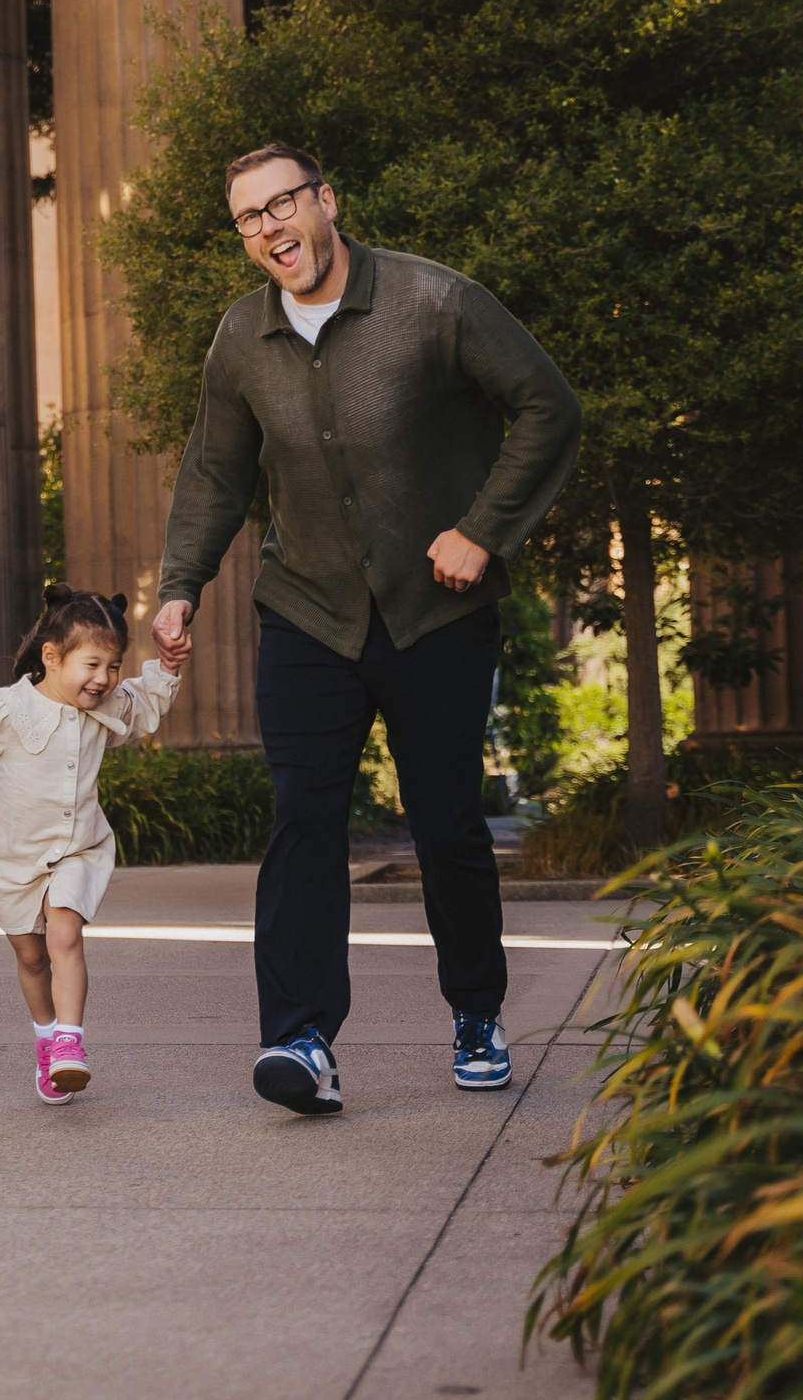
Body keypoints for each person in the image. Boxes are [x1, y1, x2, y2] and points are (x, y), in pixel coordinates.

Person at [154, 144, 581, 1116]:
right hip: (306, 612)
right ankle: (299, 1039)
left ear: (325, 202)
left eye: (282, 205)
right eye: (248, 219)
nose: (269, 229)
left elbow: (545, 408)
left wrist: (482, 529)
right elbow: (217, 473)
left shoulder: (436, 304)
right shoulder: (240, 339)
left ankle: (476, 1011)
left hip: (436, 614)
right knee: (302, 816)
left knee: (446, 824)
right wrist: (181, 583)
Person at [0, 586, 184, 1104]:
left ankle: (70, 1042)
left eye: (112, 667)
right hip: (13, 855)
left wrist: (168, 667)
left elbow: (144, 707)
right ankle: (46, 1035)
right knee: (32, 957)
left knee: (64, 933)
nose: (104, 679)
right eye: (92, 665)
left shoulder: (107, 705)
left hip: (77, 847)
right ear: (51, 655)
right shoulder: (7, 707)